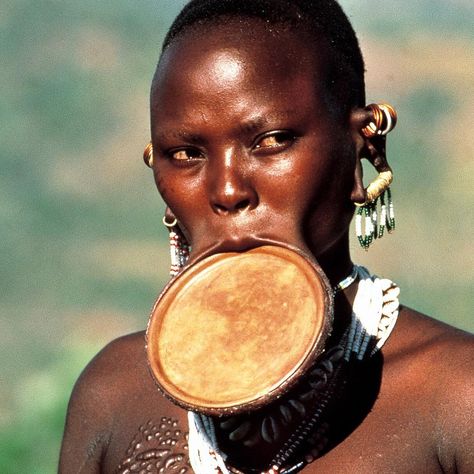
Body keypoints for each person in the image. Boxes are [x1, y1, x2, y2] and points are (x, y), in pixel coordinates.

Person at [59, 1, 473, 472]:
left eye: (272, 140)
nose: (228, 190)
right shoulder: (114, 394)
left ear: (365, 148)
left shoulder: (455, 396)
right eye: (186, 153)